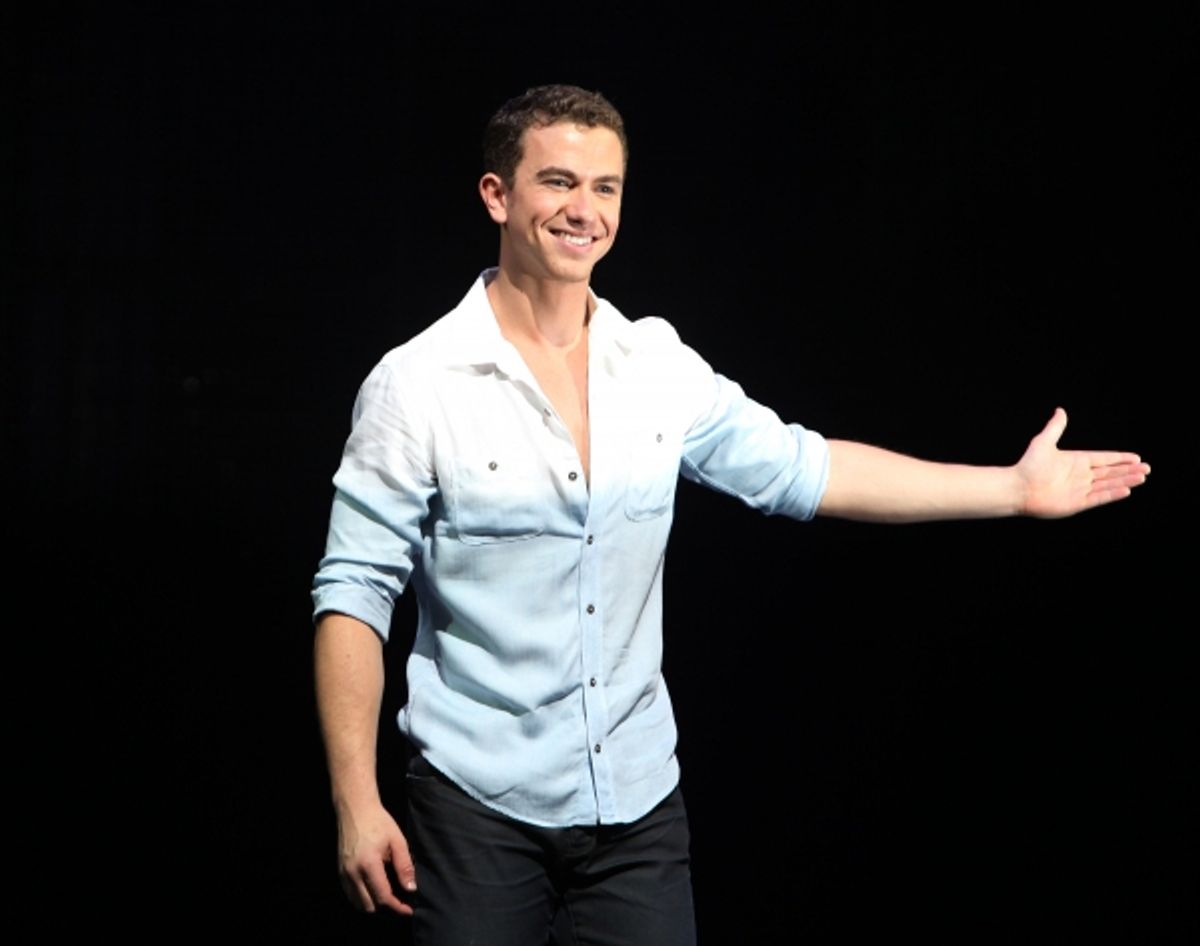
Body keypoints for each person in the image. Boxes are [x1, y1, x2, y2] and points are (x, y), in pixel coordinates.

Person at [311, 84, 1149, 945]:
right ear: (498, 195)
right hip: (474, 811)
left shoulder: (656, 365)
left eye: (606, 188)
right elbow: (353, 595)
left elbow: (807, 469)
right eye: (559, 182)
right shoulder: (418, 384)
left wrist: (1011, 490)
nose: (584, 210)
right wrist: (356, 802)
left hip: (635, 811)